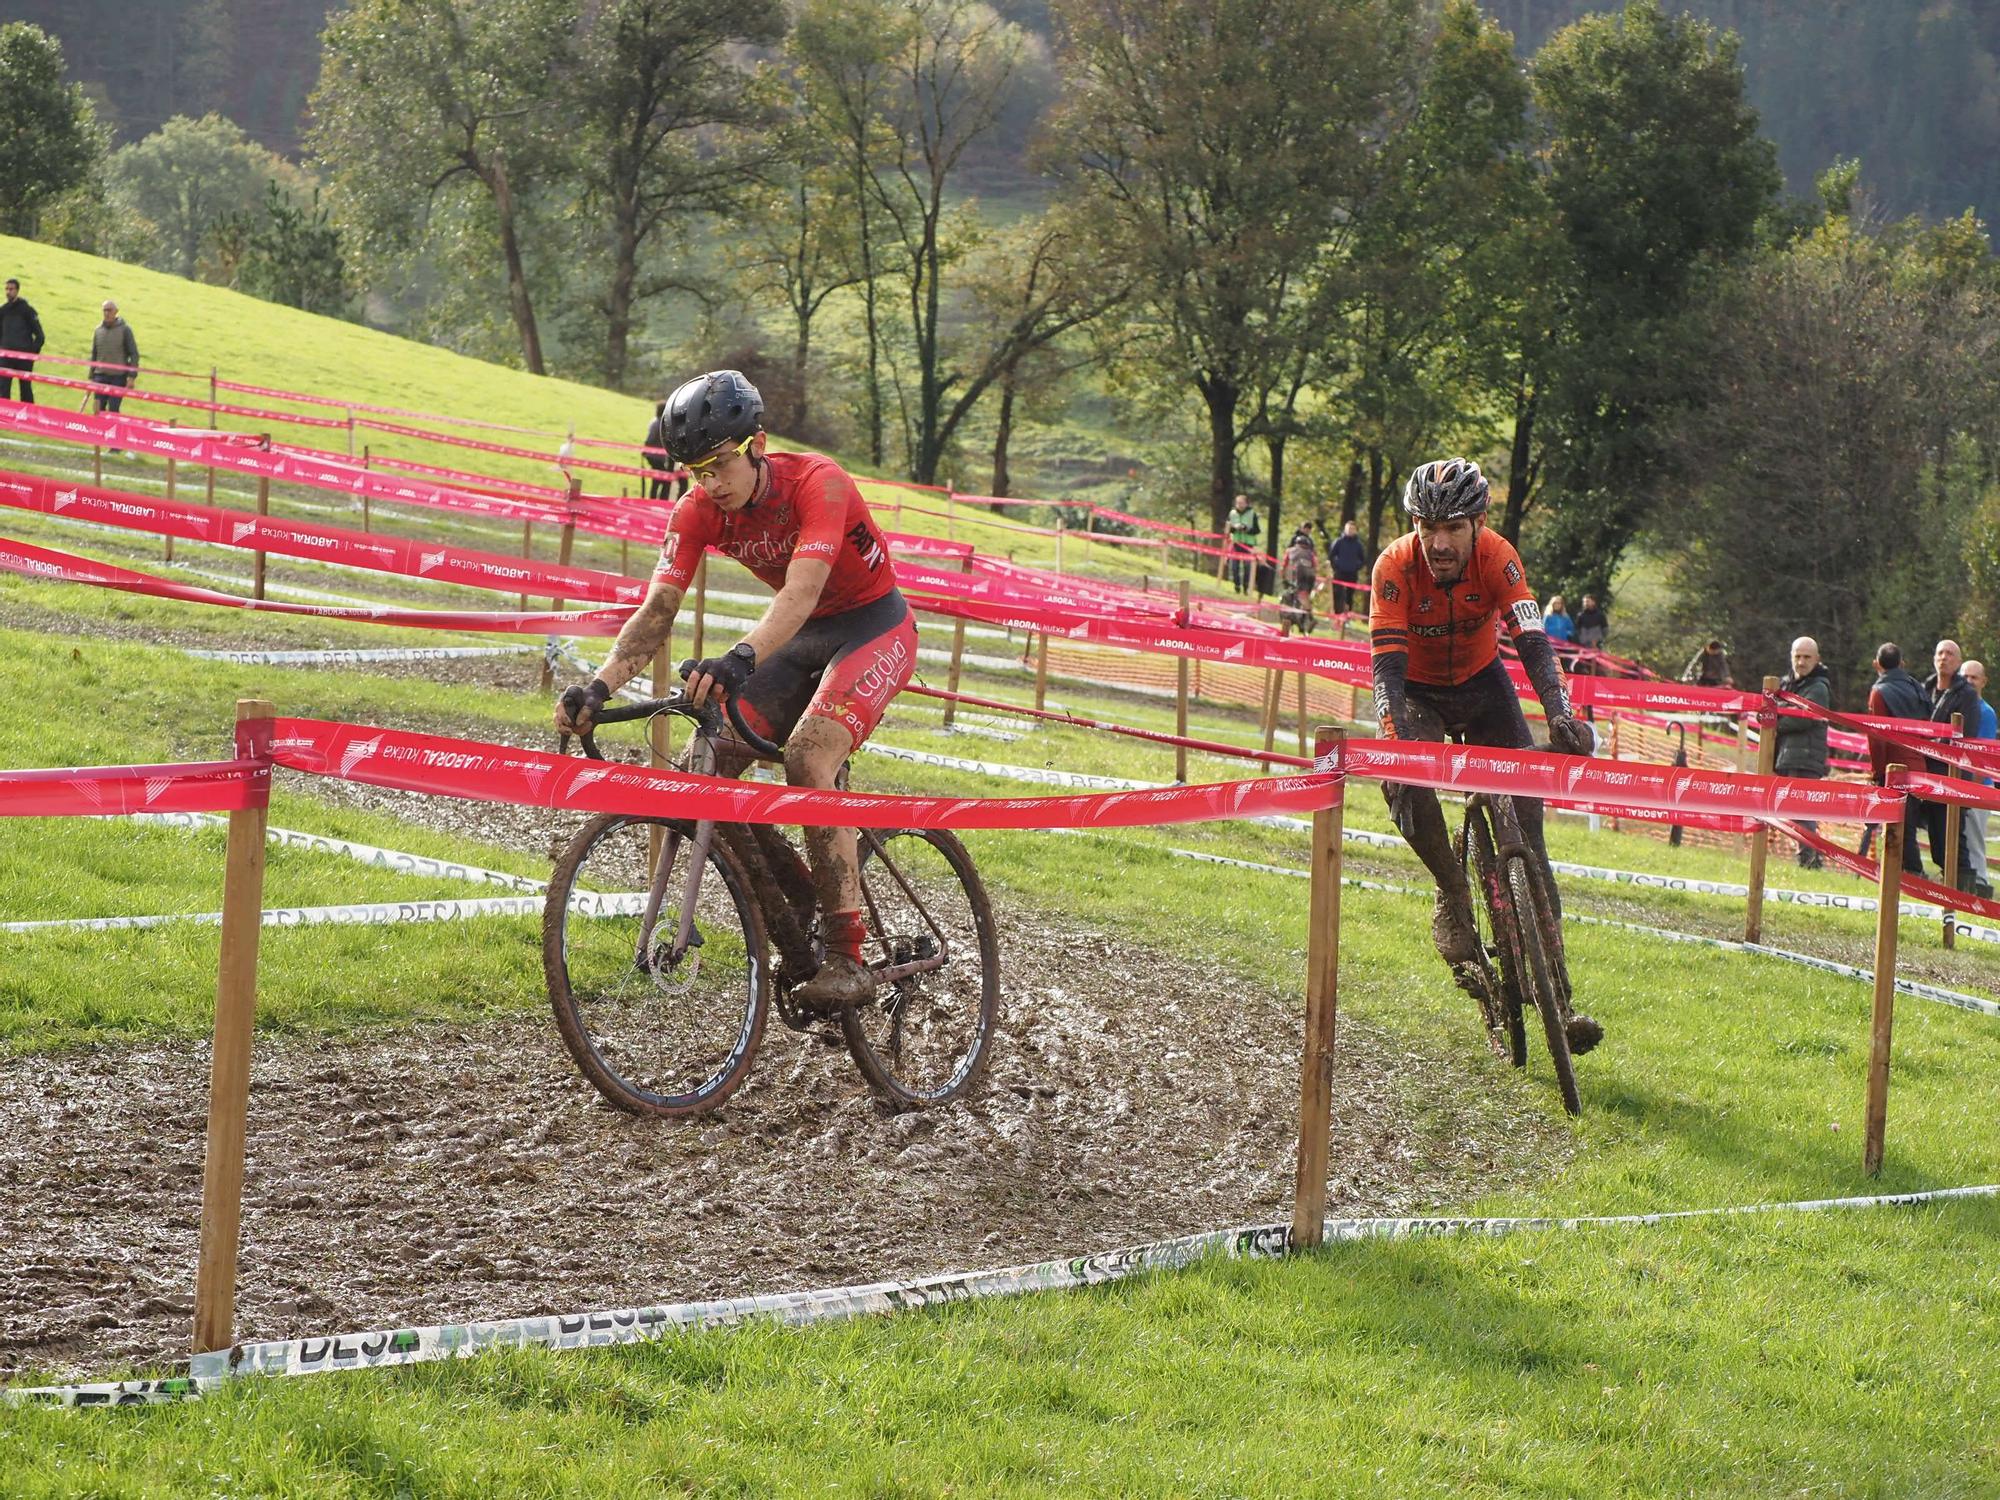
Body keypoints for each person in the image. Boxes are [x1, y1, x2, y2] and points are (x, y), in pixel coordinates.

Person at [553, 369, 916, 1010]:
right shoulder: (697, 510)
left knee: (809, 758)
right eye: (697, 470)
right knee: (712, 768)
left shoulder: (819, 483)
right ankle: (798, 896)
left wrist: (741, 657)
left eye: (720, 464)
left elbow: (802, 593)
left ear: (757, 445)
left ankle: (847, 954)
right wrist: (600, 685)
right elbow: (657, 610)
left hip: (872, 626)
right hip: (802, 636)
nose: (712, 483)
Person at [1369, 457, 1601, 1052]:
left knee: (1530, 825)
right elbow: (1387, 669)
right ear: (1415, 525)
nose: (1440, 543)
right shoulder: (1394, 567)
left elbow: (1532, 642)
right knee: (1405, 782)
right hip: (1417, 691)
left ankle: (1563, 1000)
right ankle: (1453, 889)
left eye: (1453, 529)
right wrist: (1395, 737)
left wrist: (1560, 713)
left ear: (1478, 523)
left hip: (1481, 682)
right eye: (1429, 528)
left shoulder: (1499, 556)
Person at [1863, 642, 1932, 873]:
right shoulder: (1917, 687)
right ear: (1902, 664)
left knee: (1899, 826)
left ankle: (1913, 873)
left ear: (1877, 664)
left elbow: (1877, 737)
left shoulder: (1879, 691)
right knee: (1907, 825)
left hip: (1896, 768)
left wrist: (1877, 772)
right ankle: (1907, 872)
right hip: (1920, 763)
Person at [1923, 639, 1981, 888]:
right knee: (1937, 841)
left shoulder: (1967, 695)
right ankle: (1949, 884)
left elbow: (1966, 735)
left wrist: (1931, 743)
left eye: (1949, 654)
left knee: (1952, 838)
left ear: (1958, 661)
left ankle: (1965, 889)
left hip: (1952, 777)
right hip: (1925, 774)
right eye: (1940, 653)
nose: (1943, 657)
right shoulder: (1924, 687)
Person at [1775, 636, 1832, 868]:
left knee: (1802, 811)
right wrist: (1782, 711)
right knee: (1792, 811)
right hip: (1788, 755)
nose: (1801, 662)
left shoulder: (1818, 687)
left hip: (1806, 758)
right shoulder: (1787, 684)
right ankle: (1807, 857)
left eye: (1807, 657)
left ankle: (1810, 860)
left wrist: (1776, 717)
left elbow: (1804, 719)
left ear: (1817, 659)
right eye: (1797, 656)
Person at [1961, 659, 1996, 899]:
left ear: (1984, 681)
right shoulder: (1959, 707)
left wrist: (1969, 789)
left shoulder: (1986, 713)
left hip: (1976, 787)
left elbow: (1983, 758)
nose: (1969, 682)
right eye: (1965, 677)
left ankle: (1981, 888)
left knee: (1975, 843)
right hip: (1958, 786)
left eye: (1974, 677)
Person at [88, 300, 139, 414]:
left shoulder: (125, 330)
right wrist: (91, 376)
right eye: (105, 310)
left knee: (113, 410)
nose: (107, 313)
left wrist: (131, 377)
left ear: (116, 311)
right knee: (98, 409)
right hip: (100, 376)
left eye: (109, 310)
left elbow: (134, 354)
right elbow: (95, 354)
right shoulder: (98, 330)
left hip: (118, 377)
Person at [0, 279, 44, 403]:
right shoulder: (2, 311)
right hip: (5, 358)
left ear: (17, 291)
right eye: (6, 289)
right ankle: (3, 417)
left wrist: (31, 354)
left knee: (25, 389)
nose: (8, 292)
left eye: (11, 289)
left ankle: (29, 417)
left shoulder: (27, 310)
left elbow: (40, 336)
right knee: (3, 388)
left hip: (24, 358)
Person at [1279, 527, 1318, 633]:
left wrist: (1283, 578)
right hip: (1310, 577)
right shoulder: (1311, 554)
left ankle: (1311, 618)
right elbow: (1315, 566)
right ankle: (1305, 618)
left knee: (1299, 596)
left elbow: (1284, 566)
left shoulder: (1291, 550)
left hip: (1299, 575)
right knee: (1304, 596)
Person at [1224, 493, 1259, 595]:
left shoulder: (1252, 513)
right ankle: (1237, 585)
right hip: (1236, 543)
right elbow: (1227, 528)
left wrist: (1246, 528)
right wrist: (1234, 528)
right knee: (1234, 566)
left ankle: (1245, 587)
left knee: (1247, 567)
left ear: (1246, 504)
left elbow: (1256, 530)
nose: (1239, 505)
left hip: (1248, 544)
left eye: (1241, 503)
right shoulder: (1232, 513)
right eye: (1238, 503)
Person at [1329, 519, 1367, 614]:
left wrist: (1356, 567)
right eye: (1348, 528)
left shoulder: (1358, 545)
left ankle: (1347, 615)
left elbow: (1363, 559)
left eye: (1352, 529)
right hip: (1339, 573)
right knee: (1337, 594)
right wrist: (1335, 566)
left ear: (1355, 531)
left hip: (1352, 574)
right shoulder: (1339, 542)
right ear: (1345, 529)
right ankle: (1337, 614)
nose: (1350, 530)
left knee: (1349, 596)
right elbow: (1331, 555)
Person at [641, 399, 673, 501]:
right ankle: (658, 500)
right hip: (654, 456)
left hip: (657, 457)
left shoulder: (656, 421)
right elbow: (649, 439)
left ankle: (653, 500)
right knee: (664, 479)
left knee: (657, 479)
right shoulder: (657, 423)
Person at [1573, 594, 1608, 671]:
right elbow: (1577, 630)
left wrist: (1598, 641)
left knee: (1597, 668)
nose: (1586, 603)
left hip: (1596, 647)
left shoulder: (1600, 615)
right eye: (1584, 602)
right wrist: (1581, 641)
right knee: (1581, 667)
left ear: (1593, 602)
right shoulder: (1580, 616)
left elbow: (1605, 630)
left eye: (1588, 601)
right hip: (1583, 647)